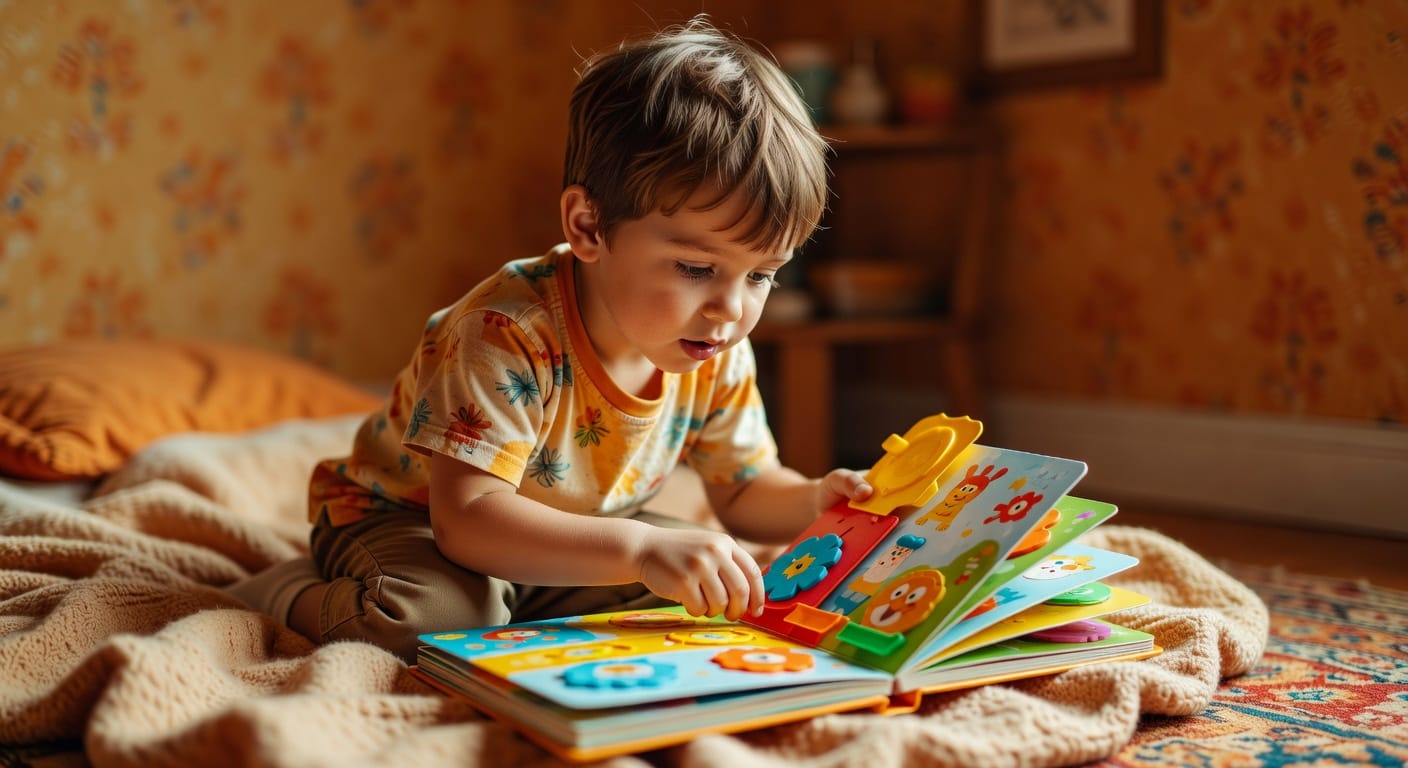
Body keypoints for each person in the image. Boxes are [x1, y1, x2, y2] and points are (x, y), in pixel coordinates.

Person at [228, 15, 873, 663]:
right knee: (441, 622)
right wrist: (639, 548)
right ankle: (289, 591)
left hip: (571, 534)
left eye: (761, 275)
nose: (731, 309)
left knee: (713, 583)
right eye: (696, 268)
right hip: (413, 522)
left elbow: (744, 489)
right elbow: (468, 518)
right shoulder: (505, 331)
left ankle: (535, 596)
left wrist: (814, 500)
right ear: (588, 226)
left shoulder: (715, 345)